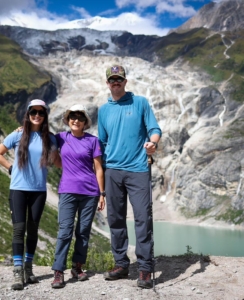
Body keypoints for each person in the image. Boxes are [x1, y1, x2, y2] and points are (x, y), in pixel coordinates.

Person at [98, 65, 162, 289]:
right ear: (107, 83)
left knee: (143, 218)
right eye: (112, 80)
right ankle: (121, 264)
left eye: (119, 79)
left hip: (138, 169)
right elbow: (102, 142)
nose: (116, 83)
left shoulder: (141, 103)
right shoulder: (103, 110)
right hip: (112, 170)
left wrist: (152, 144)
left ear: (125, 81)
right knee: (115, 219)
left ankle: (145, 268)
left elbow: (155, 129)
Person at [0, 99, 61, 291]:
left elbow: (57, 162)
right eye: (33, 112)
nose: (37, 116)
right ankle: (17, 271)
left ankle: (29, 269)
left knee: (33, 229)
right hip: (19, 189)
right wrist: (10, 168)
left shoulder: (51, 139)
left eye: (41, 113)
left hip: (39, 190)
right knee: (18, 229)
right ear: (28, 114)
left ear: (45, 115)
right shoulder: (18, 135)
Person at [51, 104, 105, 289]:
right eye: (72, 116)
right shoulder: (60, 137)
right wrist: (22, 128)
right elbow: (41, 136)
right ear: (68, 120)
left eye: (80, 117)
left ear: (85, 122)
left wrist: (101, 194)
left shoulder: (93, 141)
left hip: (90, 192)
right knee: (65, 230)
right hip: (67, 190)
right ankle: (58, 271)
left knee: (83, 232)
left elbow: (98, 168)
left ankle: (77, 266)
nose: (75, 120)